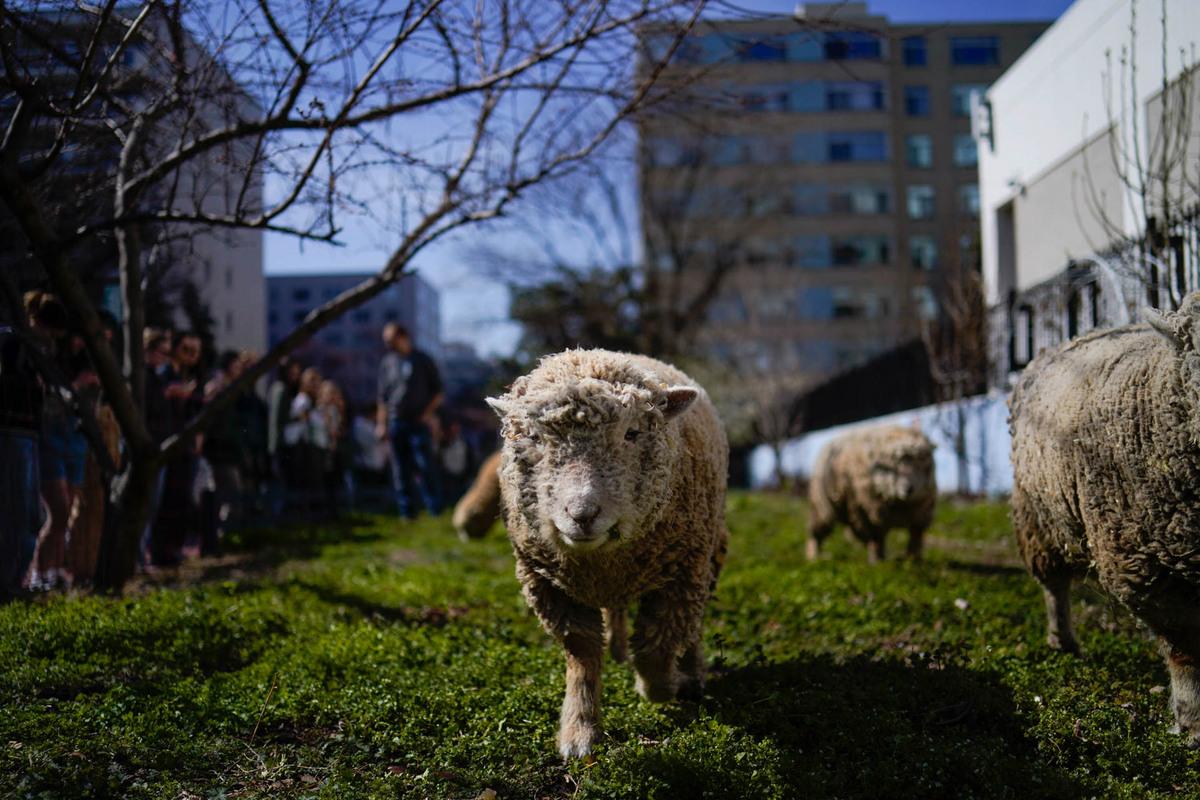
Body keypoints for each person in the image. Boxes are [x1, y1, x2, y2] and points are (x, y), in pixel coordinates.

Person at [27, 292, 85, 591]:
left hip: (71, 435)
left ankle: (51, 572)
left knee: (66, 514)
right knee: (58, 511)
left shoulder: (63, 353)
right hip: (48, 434)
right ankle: (38, 573)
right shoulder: (31, 349)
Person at [0, 300, 54, 599]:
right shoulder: (11, 343)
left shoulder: (33, 349)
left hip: (29, 431)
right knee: (18, 511)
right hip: (13, 430)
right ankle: (8, 583)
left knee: (30, 514)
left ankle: (15, 580)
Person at [375, 323, 443, 519]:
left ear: (403, 337)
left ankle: (434, 509)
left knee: (425, 465)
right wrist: (381, 424)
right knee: (400, 469)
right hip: (396, 421)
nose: (388, 345)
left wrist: (427, 414)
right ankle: (407, 512)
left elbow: (438, 392)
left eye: (391, 340)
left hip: (418, 422)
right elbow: (382, 397)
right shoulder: (387, 363)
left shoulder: (422, 360)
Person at [148, 330, 203, 567]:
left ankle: (174, 549)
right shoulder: (164, 375)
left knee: (183, 500)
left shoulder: (192, 376)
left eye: (195, 352)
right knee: (166, 500)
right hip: (169, 445)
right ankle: (161, 552)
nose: (191, 356)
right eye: (186, 350)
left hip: (186, 446)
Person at [266, 357, 301, 518]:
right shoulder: (281, 389)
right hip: (280, 445)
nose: (295, 376)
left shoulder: (279, 389)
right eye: (292, 373)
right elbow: (279, 419)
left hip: (278, 443)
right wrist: (299, 417)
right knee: (281, 481)